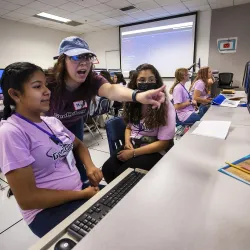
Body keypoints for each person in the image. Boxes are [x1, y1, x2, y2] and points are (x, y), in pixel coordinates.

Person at [0, 62, 103, 237]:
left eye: (46, 85)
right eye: (37, 86)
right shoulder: (11, 132)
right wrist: (81, 195)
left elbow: (79, 145)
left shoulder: (51, 121)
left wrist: (90, 166)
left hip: (78, 191)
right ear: (15, 94)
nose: (47, 91)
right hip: (45, 211)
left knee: (121, 204)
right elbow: (28, 199)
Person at [46, 36, 166, 180]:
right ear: (62, 61)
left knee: (78, 168)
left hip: (74, 122)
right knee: (53, 169)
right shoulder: (48, 83)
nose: (84, 62)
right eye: (77, 57)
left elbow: (111, 90)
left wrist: (138, 96)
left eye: (88, 56)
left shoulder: (92, 80)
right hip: (48, 130)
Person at [102, 64, 176, 183]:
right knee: (107, 170)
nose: (147, 83)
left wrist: (133, 153)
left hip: (154, 149)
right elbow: (128, 128)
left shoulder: (165, 105)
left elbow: (163, 143)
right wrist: (127, 142)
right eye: (142, 80)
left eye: (151, 79)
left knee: (123, 176)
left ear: (156, 82)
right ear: (135, 83)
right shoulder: (134, 101)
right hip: (134, 144)